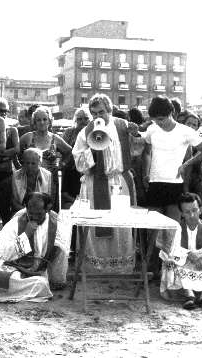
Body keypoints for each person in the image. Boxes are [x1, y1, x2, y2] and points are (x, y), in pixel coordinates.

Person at [72, 93, 140, 272]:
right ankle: (97, 267)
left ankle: (120, 266)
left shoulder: (122, 125)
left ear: (109, 110)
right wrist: (92, 151)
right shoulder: (86, 131)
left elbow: (139, 148)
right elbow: (78, 159)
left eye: (101, 112)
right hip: (96, 183)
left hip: (120, 181)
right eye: (94, 113)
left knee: (121, 224)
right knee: (97, 224)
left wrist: (136, 134)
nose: (97, 117)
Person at [0, 192, 70, 302]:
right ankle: (19, 292)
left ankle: (18, 291)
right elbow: (5, 254)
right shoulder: (15, 223)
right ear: (26, 208)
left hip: (37, 273)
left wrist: (57, 280)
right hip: (12, 267)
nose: (34, 217)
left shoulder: (55, 225)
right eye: (31, 213)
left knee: (41, 284)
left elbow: (62, 252)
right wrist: (26, 234)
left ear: (47, 209)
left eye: (39, 214)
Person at [142, 96, 202, 222]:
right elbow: (147, 152)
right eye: (155, 120)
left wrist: (185, 164)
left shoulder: (186, 131)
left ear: (171, 113)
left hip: (175, 185)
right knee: (152, 230)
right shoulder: (152, 129)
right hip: (154, 183)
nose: (159, 123)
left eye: (161, 119)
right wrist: (145, 173)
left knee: (172, 229)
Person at [20, 106, 72, 212]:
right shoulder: (28, 137)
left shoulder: (55, 139)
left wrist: (62, 165)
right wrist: (20, 166)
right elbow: (16, 152)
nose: (42, 122)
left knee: (48, 208)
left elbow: (69, 152)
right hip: (31, 178)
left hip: (51, 180)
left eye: (45, 119)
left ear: (49, 121)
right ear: (34, 122)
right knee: (31, 207)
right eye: (38, 120)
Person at [0, 97, 20, 225]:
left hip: (6, 172)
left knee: (5, 206)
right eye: (0, 110)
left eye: (6, 111)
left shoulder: (12, 129)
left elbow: (16, 149)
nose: (3, 113)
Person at [61, 108, 91, 208]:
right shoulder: (69, 132)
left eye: (86, 118)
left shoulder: (94, 132)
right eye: (80, 119)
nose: (83, 121)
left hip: (89, 166)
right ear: (75, 120)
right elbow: (63, 150)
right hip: (71, 167)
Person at [12, 148, 52, 213]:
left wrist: (40, 212)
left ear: (39, 163)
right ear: (23, 162)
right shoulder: (16, 175)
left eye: (33, 163)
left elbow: (49, 201)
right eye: (27, 163)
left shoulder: (47, 175)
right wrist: (27, 212)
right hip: (21, 210)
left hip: (41, 212)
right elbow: (14, 201)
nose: (29, 166)